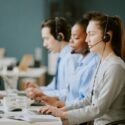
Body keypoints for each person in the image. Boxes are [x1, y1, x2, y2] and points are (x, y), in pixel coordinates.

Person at [39, 12, 125, 125]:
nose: (87, 39)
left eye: (91, 34)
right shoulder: (102, 63)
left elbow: (98, 108)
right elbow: (88, 100)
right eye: (87, 34)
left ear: (107, 36)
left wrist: (64, 115)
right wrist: (61, 110)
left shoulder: (115, 67)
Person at [25, 17, 80, 103]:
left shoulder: (71, 58)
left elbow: (69, 94)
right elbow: (55, 86)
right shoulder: (62, 56)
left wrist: (42, 93)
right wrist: (38, 89)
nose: (44, 44)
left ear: (60, 37)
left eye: (46, 39)